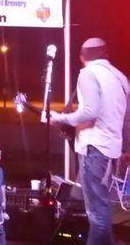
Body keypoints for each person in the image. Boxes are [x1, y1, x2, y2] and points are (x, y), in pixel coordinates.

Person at [50, 37, 129, 245]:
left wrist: (60, 118)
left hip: (94, 148)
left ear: (82, 57)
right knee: (100, 206)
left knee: (96, 211)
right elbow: (126, 117)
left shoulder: (88, 73)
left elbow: (89, 112)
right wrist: (125, 147)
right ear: (106, 54)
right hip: (110, 148)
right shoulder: (119, 77)